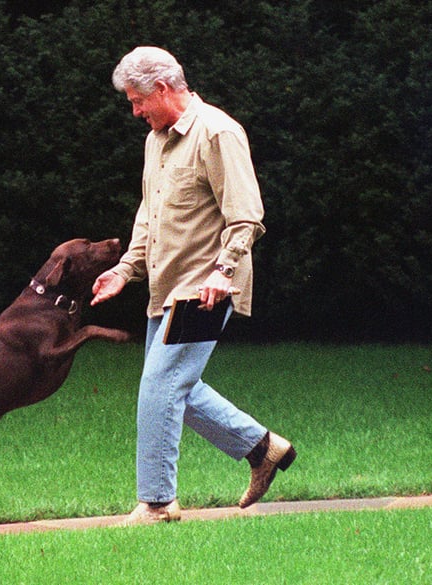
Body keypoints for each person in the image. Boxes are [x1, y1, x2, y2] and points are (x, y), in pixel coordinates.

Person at [91, 46, 296, 525]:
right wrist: (124, 270)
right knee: (174, 387)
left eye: (138, 101)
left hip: (203, 291)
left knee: (159, 387)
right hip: (165, 290)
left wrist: (223, 274)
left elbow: (246, 215)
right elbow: (151, 215)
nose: (136, 111)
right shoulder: (156, 141)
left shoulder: (218, 132)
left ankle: (158, 503)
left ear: (162, 88)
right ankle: (263, 448)